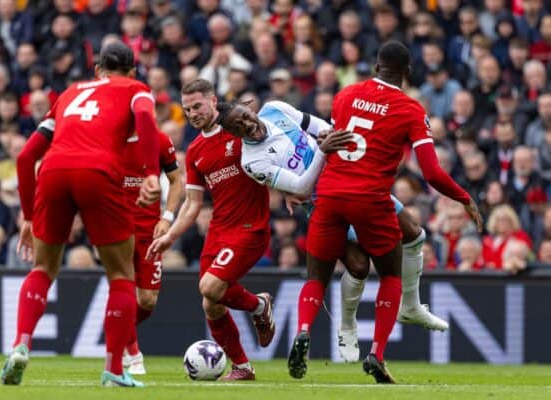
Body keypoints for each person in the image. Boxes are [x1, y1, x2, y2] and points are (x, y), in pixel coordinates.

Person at [288, 42, 482, 384]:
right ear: (406, 72)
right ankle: (377, 353)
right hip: (371, 199)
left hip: (329, 193)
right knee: (391, 276)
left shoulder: (345, 95)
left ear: (377, 66)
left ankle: (303, 329)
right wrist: (465, 198)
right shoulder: (410, 110)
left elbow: (331, 143)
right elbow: (433, 173)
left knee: (316, 276)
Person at [217, 99, 449, 365]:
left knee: (414, 233)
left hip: (352, 182)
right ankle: (347, 327)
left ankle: (411, 305)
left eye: (246, 116)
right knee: (359, 266)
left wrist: (329, 140)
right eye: (239, 126)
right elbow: (302, 188)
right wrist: (321, 153)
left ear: (250, 108)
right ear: (233, 135)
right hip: (322, 205)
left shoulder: (275, 109)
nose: (248, 125)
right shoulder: (251, 161)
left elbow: (321, 127)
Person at [0, 42, 161, 388]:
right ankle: (114, 369)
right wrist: (150, 172)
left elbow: (27, 157)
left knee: (43, 268)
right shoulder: (136, 89)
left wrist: (28, 217)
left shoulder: (71, 92)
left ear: (98, 70)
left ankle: (21, 345)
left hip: (54, 171)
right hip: (98, 172)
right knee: (121, 274)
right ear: (132, 71)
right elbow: (146, 117)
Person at [149, 79, 274, 381]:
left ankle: (259, 306)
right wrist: (170, 236)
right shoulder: (195, 151)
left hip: (250, 227)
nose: (192, 113)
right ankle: (242, 367)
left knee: (210, 287)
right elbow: (192, 204)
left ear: (213, 101)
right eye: (187, 108)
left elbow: (274, 154)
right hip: (219, 230)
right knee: (211, 303)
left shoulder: (239, 130)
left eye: (197, 106)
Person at [121, 130, 184, 375]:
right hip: (117, 229)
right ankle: (134, 355)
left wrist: (167, 217)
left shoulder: (158, 139)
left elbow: (176, 180)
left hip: (150, 231)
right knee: (124, 290)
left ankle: (118, 329)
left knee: (147, 300)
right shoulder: (108, 137)